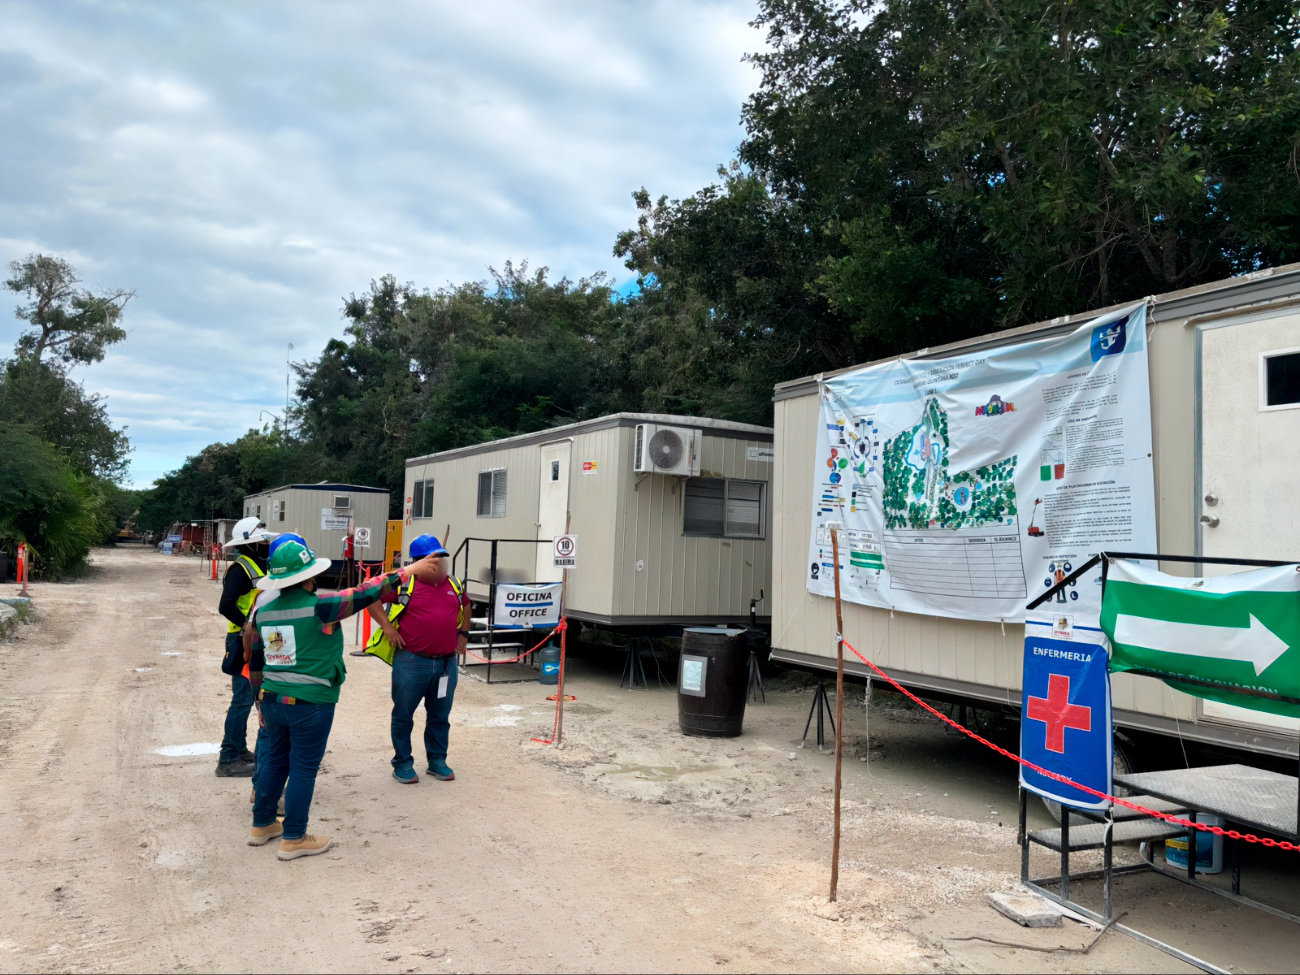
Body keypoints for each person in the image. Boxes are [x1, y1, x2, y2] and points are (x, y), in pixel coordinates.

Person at [245, 538, 442, 859]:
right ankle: (294, 837)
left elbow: (256, 661)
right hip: (310, 702)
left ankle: (262, 823)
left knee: (276, 762)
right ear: (308, 577)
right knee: (303, 769)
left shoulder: (264, 612)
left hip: (272, 699)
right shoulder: (321, 606)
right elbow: (365, 592)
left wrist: (259, 703)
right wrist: (408, 571)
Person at [368, 534, 470, 785]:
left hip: (446, 664)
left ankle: (437, 761)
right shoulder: (404, 585)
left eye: (441, 558)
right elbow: (370, 596)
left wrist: (464, 634)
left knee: (440, 716)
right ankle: (402, 763)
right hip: (412, 662)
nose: (440, 563)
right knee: (403, 715)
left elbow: (466, 607)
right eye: (434, 559)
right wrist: (387, 627)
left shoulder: (454, 584)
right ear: (418, 562)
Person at [215, 516, 278, 777]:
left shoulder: (258, 564)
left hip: (254, 638)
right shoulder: (241, 569)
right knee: (241, 700)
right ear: (250, 544)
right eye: (262, 541)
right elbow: (225, 605)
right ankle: (229, 758)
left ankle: (239, 750)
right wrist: (247, 626)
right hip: (242, 640)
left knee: (249, 698)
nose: (267, 544)